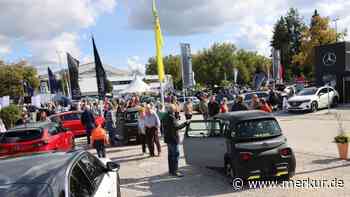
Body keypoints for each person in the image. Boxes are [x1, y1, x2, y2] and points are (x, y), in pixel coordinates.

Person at [164, 105, 189, 177]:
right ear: (172, 110)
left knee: (170, 155)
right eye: (174, 109)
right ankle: (175, 171)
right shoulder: (171, 117)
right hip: (173, 138)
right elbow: (177, 127)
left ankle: (171, 170)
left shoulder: (165, 116)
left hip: (168, 138)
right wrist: (186, 123)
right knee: (175, 155)